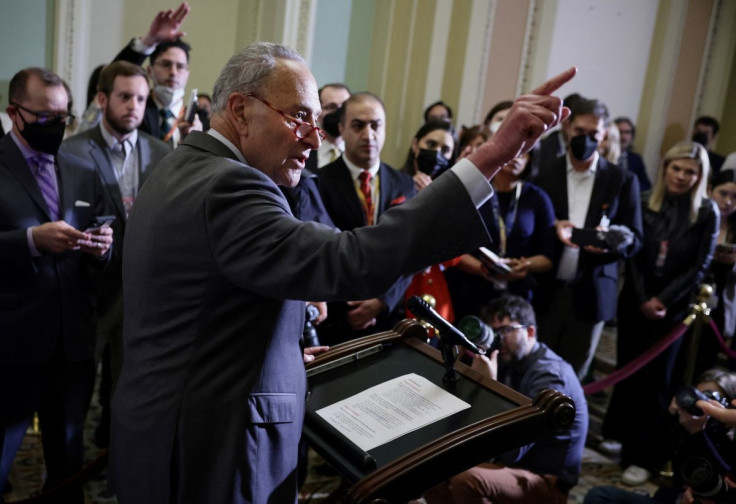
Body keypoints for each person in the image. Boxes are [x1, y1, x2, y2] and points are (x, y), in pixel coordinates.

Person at [108, 40, 576, 504]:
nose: (314, 138)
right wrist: (490, 156)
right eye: (299, 117)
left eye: (317, 121)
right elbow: (351, 262)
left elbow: (200, 311)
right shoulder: (229, 184)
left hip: (166, 432)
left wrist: (280, 358)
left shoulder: (179, 168)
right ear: (240, 109)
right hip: (211, 449)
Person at [0, 67, 113, 504]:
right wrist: (31, 240)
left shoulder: (82, 170)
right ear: (15, 113)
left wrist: (104, 248)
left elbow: (106, 244)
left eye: (64, 117)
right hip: (11, 343)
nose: (58, 126)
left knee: (68, 464)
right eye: (46, 117)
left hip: (73, 343)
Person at [57, 61, 170, 447]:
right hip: (85, 290)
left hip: (141, 290)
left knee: (128, 391)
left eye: (140, 98)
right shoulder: (72, 150)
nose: (134, 106)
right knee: (73, 390)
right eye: (124, 97)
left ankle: (117, 468)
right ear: (102, 99)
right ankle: (65, 467)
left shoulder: (162, 152)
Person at [602, 141, 718, 486]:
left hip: (673, 312)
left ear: (700, 176)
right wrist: (642, 298)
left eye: (690, 172)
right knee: (627, 371)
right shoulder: (644, 200)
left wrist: (664, 300)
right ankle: (621, 438)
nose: (681, 177)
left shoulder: (707, 212)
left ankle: (643, 455)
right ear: (665, 167)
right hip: (636, 303)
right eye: (676, 168)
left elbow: (700, 265)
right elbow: (633, 253)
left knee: (657, 382)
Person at [423, 295, 588, 504]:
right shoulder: (509, 359)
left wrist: (490, 386)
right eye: (494, 332)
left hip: (545, 479)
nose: (498, 340)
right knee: (431, 468)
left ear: (530, 332)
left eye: (506, 331)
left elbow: (513, 451)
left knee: (467, 481)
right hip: (511, 466)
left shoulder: (550, 377)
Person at [534, 97, 643, 380]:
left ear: (604, 134)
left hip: (592, 291)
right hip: (547, 288)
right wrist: (555, 225)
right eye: (579, 132)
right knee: (535, 370)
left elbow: (636, 240)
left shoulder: (622, 179)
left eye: (593, 134)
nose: (585, 139)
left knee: (572, 377)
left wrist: (613, 239)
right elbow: (531, 227)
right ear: (568, 128)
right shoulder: (544, 174)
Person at [316, 92, 416, 344]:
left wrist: (383, 301)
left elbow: (412, 249)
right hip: (338, 321)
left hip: (390, 319)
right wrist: (350, 308)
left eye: (375, 125)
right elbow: (320, 252)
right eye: (358, 125)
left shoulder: (404, 183)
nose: (368, 134)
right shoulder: (318, 183)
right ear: (341, 128)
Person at [587, 369, 736, 504]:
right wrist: (670, 417)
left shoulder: (728, 438)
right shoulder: (688, 422)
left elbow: (725, 478)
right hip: (676, 498)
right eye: (698, 396)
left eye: (710, 398)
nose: (701, 404)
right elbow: (648, 458)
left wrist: (699, 434)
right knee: (599, 495)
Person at [446, 146, 556, 320]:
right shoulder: (473, 190)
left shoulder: (538, 198)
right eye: (516, 149)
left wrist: (525, 265)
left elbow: (548, 257)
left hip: (516, 295)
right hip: (469, 288)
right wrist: (482, 270)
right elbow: (451, 246)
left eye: (525, 153)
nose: (518, 157)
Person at [113, 2, 202, 146]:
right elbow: (113, 77)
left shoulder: (200, 122)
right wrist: (149, 41)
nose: (173, 72)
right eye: (166, 64)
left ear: (187, 74)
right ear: (150, 71)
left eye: (180, 67)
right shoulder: (133, 110)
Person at [306, 83, 351, 170]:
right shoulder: (304, 150)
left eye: (344, 107)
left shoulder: (358, 153)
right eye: (332, 107)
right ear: (317, 113)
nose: (339, 113)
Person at [615, 116, 651, 191]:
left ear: (632, 136)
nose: (624, 137)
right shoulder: (602, 155)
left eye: (627, 132)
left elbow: (646, 185)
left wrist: (630, 185)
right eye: (620, 132)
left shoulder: (636, 159)